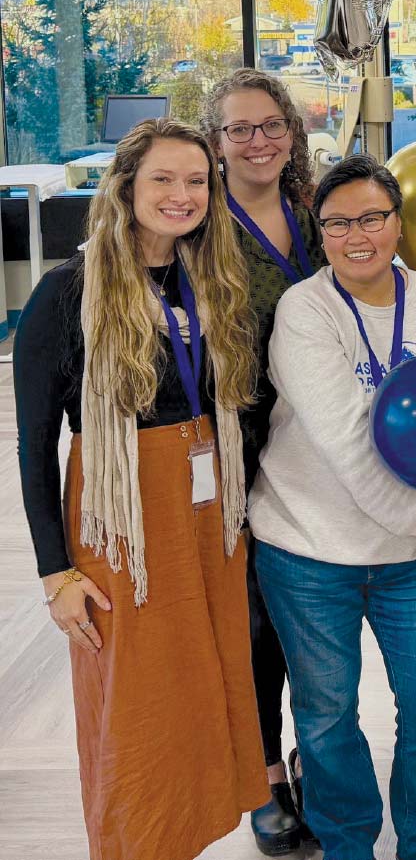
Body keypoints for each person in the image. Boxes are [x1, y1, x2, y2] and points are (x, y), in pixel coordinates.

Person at [15, 117, 267, 860]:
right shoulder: (67, 294)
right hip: (124, 523)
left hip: (208, 515)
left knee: (204, 689)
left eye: (196, 180)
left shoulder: (207, 283)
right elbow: (35, 449)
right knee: (139, 705)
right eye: (163, 178)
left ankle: (190, 835)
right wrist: (57, 575)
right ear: (125, 187)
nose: (182, 194)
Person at [248, 154, 416, 860]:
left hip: (413, 563)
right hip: (308, 549)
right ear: (317, 231)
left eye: (373, 218)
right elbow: (349, 444)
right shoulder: (305, 310)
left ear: (397, 221)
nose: (358, 235)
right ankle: (347, 844)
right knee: (326, 719)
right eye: (337, 223)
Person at [203, 67, 325, 856]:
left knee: (307, 611)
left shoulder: (315, 217)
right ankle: (265, 774)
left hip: (315, 438)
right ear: (215, 144)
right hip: (233, 443)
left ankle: (321, 759)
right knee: (252, 621)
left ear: (292, 134)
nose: (258, 142)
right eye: (240, 130)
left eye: (270, 126)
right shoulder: (196, 224)